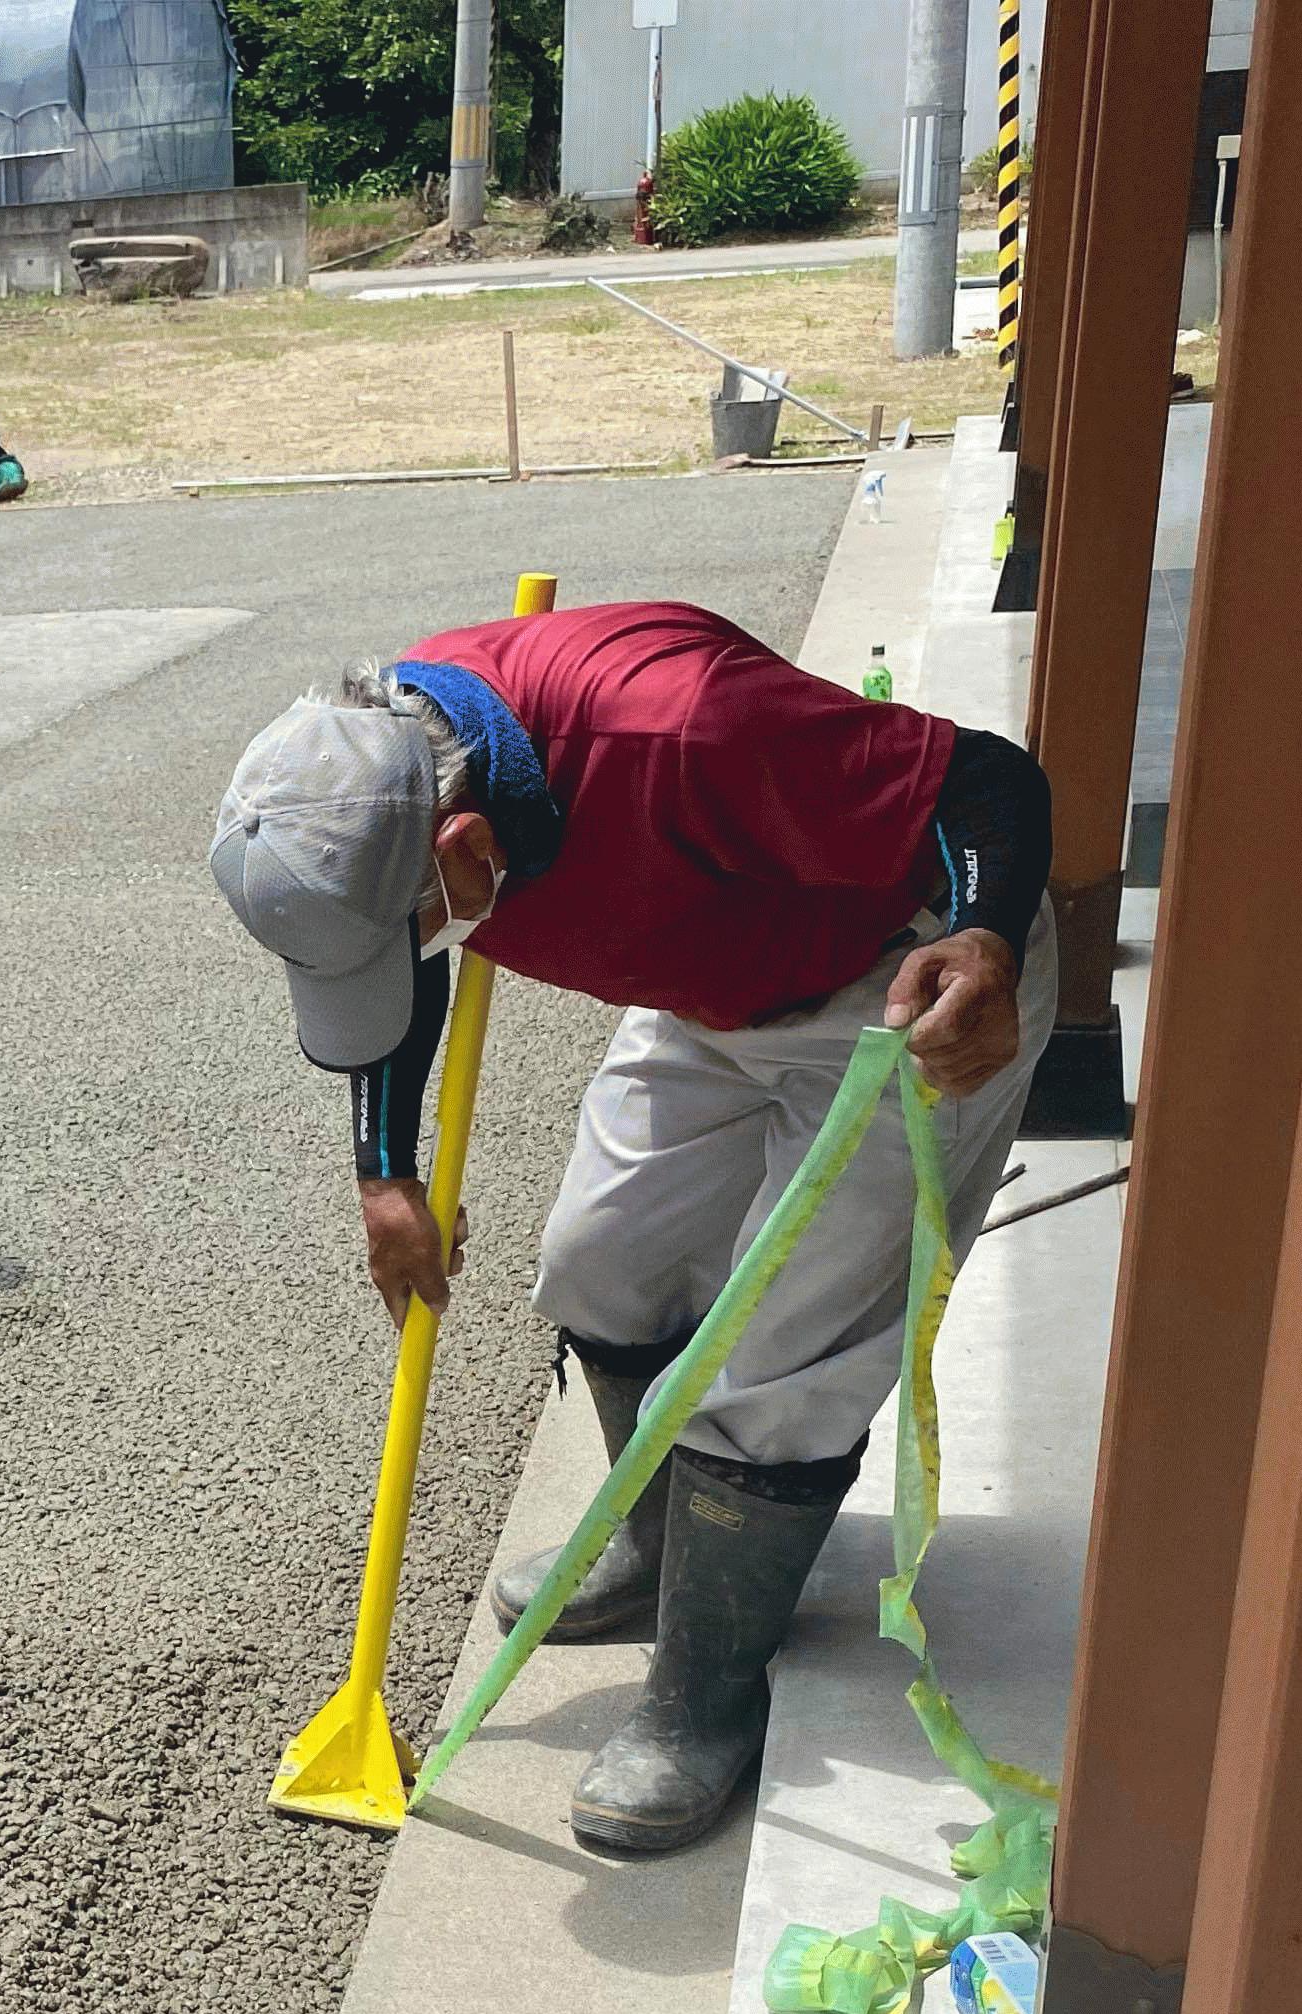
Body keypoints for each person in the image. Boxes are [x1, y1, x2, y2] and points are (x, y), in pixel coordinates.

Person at [210, 600, 1057, 1855]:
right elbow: (403, 960)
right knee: (599, 1261)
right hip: (703, 982)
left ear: (468, 842)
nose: (428, 947)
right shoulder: (373, 785)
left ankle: (706, 1691)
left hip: (896, 983)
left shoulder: (676, 729)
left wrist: (984, 939)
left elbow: (989, 781)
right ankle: (661, 1546)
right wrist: (384, 1172)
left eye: (428, 921)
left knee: (780, 1360)